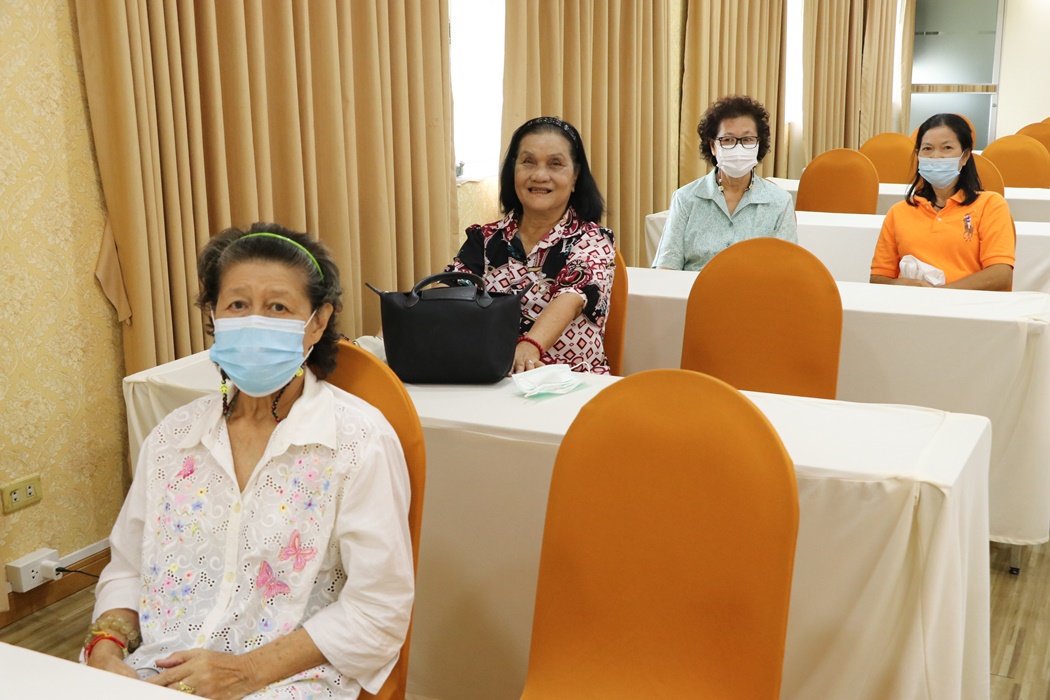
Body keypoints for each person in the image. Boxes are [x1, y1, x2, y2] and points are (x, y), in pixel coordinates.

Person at [85, 224, 414, 699]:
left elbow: (379, 609)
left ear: (317, 323)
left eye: (278, 307)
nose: (255, 321)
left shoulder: (358, 442)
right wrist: (105, 652)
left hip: (287, 679)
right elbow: (128, 568)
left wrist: (245, 672)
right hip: (153, 671)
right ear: (213, 316)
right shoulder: (173, 438)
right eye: (237, 305)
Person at [446, 116, 615, 374]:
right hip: (490, 379)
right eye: (528, 162)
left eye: (555, 164)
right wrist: (412, 319)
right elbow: (453, 293)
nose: (539, 175)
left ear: (575, 177)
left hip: (570, 383)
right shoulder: (485, 239)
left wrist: (530, 347)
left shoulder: (593, 239)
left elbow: (571, 297)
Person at [870, 113, 1015, 290]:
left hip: (968, 304)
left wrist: (939, 295)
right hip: (912, 303)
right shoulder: (898, 211)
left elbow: (1001, 274)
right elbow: (878, 278)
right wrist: (901, 283)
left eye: (946, 148)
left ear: (965, 156)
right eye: (927, 149)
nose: (936, 156)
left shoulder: (990, 204)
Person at [653, 95, 796, 271]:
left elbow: (786, 270)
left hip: (756, 288)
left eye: (747, 139)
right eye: (728, 140)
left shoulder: (779, 202)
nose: (738, 147)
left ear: (759, 144)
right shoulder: (685, 199)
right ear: (713, 146)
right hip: (695, 288)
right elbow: (667, 268)